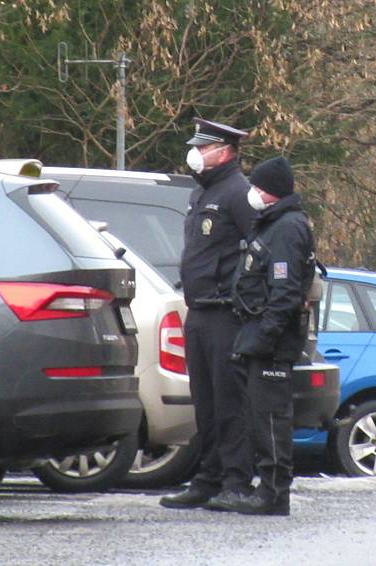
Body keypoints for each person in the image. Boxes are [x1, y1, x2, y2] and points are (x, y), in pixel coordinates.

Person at [160, 118, 257, 510]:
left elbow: (259, 250)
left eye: (203, 149)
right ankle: (208, 477)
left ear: (225, 151)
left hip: (226, 313)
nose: (196, 155)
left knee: (229, 401)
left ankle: (237, 481)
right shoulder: (204, 193)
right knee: (205, 400)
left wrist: (242, 297)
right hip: (199, 310)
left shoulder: (238, 193)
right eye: (197, 148)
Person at [229, 156, 315, 516]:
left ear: (271, 192)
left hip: (272, 338)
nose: (251, 193)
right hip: (257, 333)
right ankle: (267, 488)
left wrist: (266, 336)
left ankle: (274, 493)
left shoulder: (286, 228)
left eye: (257, 188)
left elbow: (285, 291)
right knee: (259, 415)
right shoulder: (274, 224)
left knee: (271, 418)